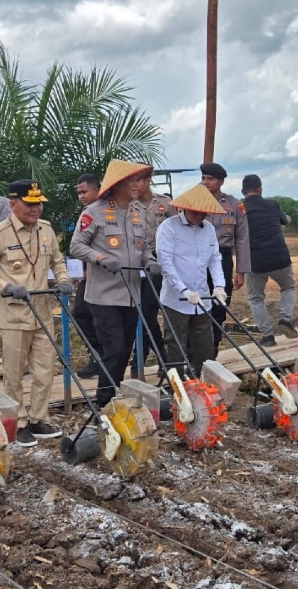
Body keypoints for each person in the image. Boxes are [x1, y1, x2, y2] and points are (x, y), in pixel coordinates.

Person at [0, 179, 71, 447]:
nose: (36, 209)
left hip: (41, 312)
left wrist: (62, 279)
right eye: (29, 204)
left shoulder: (47, 230)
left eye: (39, 203)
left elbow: (57, 260)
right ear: (13, 204)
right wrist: (5, 286)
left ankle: (38, 418)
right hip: (14, 314)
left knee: (45, 370)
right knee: (14, 374)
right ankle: (17, 422)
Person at [70, 159, 157, 407]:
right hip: (104, 296)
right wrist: (99, 257)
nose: (138, 185)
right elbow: (76, 246)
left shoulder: (137, 212)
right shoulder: (93, 213)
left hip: (132, 294)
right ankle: (104, 401)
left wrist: (150, 261)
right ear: (118, 184)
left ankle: (114, 397)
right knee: (115, 347)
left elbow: (144, 249)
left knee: (124, 349)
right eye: (133, 180)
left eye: (139, 180)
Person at [156, 185, 225, 377]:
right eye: (196, 212)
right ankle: (176, 386)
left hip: (203, 298)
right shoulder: (168, 228)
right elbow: (166, 263)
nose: (200, 216)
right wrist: (184, 291)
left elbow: (214, 259)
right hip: (176, 299)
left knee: (204, 345)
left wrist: (219, 285)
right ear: (185, 208)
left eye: (204, 213)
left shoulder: (208, 229)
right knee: (175, 344)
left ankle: (204, 383)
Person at [233, 175, 298, 347]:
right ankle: (285, 319)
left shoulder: (240, 209)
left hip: (255, 261)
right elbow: (286, 220)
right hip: (279, 258)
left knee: (256, 298)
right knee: (288, 286)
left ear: (242, 192)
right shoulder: (272, 204)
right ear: (260, 190)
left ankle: (268, 336)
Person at [199, 162, 248, 356]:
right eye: (203, 178)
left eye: (209, 179)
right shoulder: (195, 201)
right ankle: (194, 349)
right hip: (198, 258)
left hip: (223, 258)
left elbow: (242, 238)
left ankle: (213, 348)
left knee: (220, 303)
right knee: (197, 303)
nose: (205, 182)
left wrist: (241, 271)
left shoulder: (234, 205)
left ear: (220, 181)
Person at [129, 176, 171, 375]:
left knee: (149, 311)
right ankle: (159, 357)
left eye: (138, 180)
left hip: (161, 261)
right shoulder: (127, 205)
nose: (134, 184)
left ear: (148, 181)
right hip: (136, 262)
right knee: (144, 313)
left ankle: (145, 358)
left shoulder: (165, 203)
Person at [71, 174, 104, 379]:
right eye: (79, 193)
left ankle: (104, 356)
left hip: (106, 272)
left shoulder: (106, 211)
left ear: (97, 190)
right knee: (82, 314)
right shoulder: (87, 212)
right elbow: (78, 244)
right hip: (89, 273)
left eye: (84, 192)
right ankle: (98, 355)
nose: (81, 196)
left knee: (101, 318)